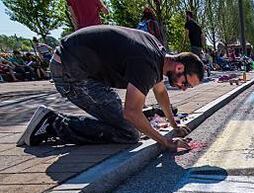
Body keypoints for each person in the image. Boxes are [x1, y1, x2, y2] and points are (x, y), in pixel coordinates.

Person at [17, 25, 204, 152]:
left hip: (76, 66)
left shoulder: (157, 52)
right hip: (69, 74)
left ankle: (53, 122)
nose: (184, 89)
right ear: (179, 68)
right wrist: (165, 142)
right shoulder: (147, 64)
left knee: (121, 115)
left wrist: (174, 126)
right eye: (186, 83)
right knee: (129, 132)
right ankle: (51, 123)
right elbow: (131, 112)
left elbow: (161, 92)